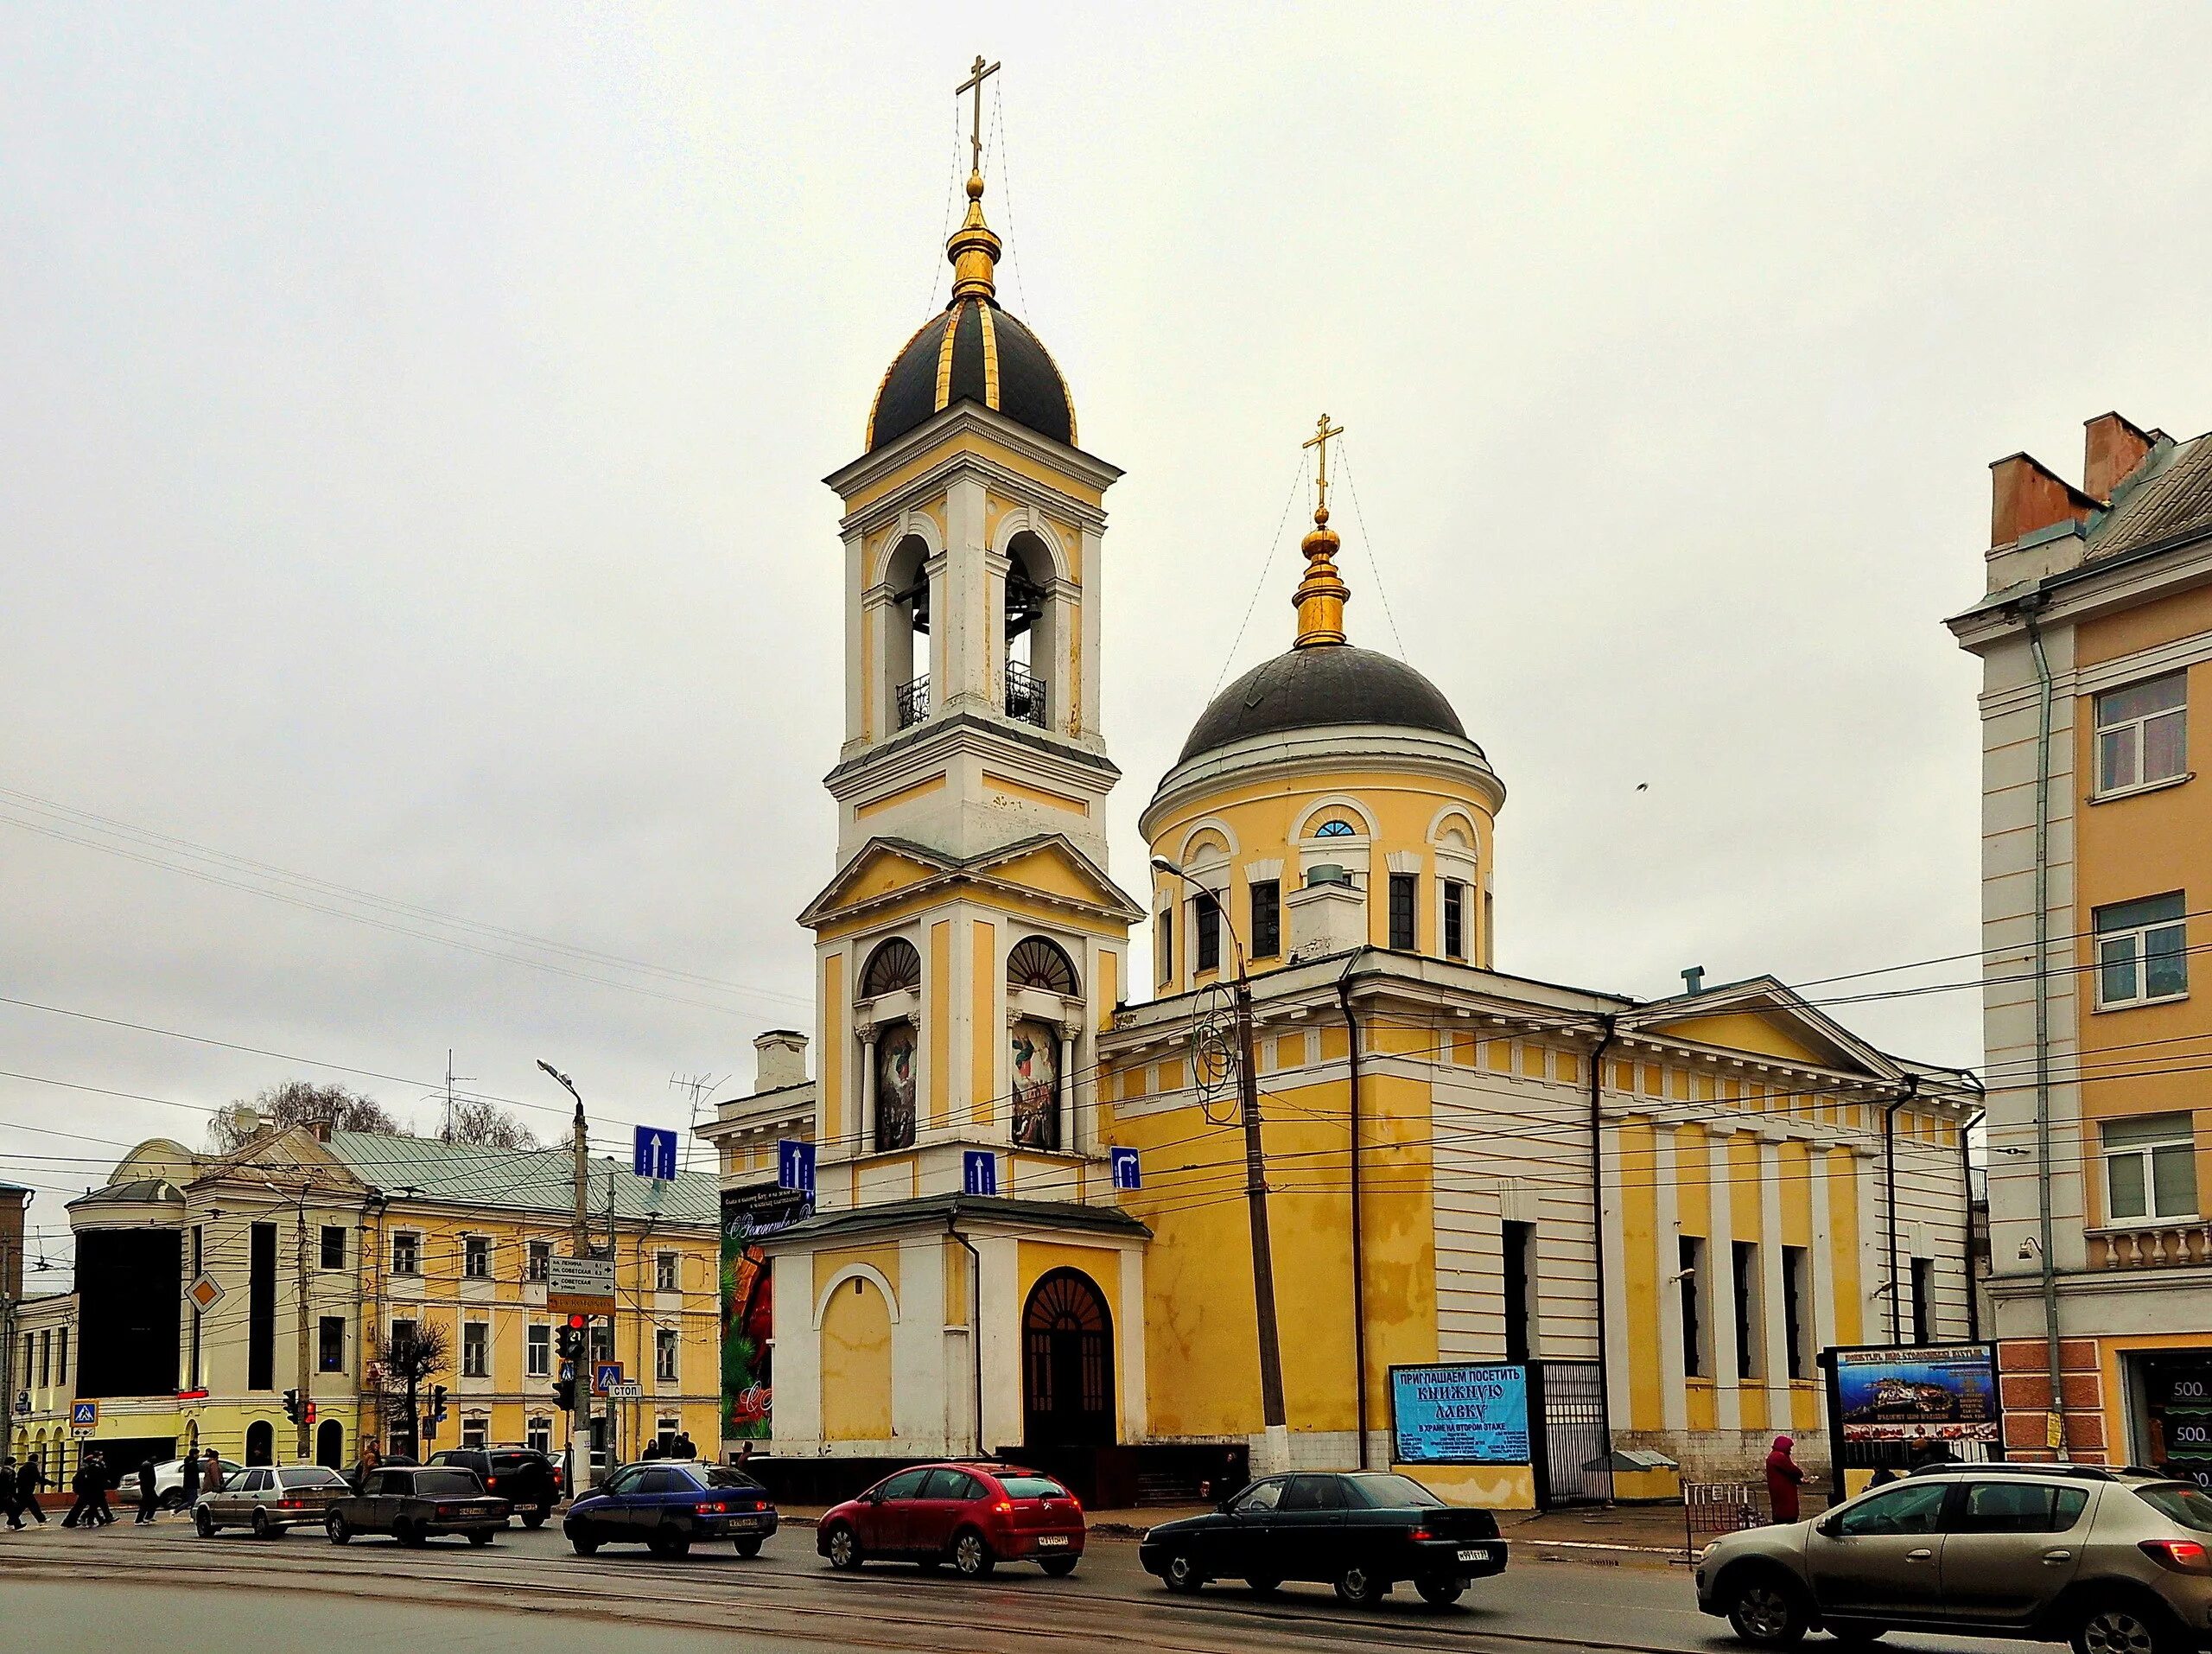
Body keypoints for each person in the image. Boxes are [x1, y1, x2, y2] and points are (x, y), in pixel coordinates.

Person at [1765, 1435, 1807, 1524]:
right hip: (1784, 1494)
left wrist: (1799, 1481)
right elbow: (1793, 1470)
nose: (1790, 1450)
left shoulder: (1777, 1456)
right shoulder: (1778, 1457)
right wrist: (1800, 1475)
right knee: (1786, 1515)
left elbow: (1788, 1474)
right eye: (1789, 1447)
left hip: (1782, 1493)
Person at [16, 1454, 47, 1525]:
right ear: (36, 1460)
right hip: (28, 1491)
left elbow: (18, 1479)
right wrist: (50, 1483)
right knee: (32, 1506)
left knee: (24, 1507)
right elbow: (38, 1478)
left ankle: (41, 1520)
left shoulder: (22, 1468)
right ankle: (10, 1523)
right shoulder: (33, 1467)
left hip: (22, 1490)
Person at [134, 1459, 158, 1524]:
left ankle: (148, 1517)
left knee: (151, 1502)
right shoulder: (147, 1465)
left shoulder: (147, 1464)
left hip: (147, 1487)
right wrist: (151, 1485)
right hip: (148, 1487)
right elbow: (149, 1477)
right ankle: (140, 1519)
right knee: (147, 1503)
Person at [179, 1447, 200, 1512]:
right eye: (197, 1454)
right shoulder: (191, 1463)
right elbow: (193, 1474)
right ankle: (175, 1511)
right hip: (191, 1484)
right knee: (191, 1501)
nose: (198, 1456)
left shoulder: (191, 1462)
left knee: (194, 1501)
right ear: (194, 1454)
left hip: (191, 1484)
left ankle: (192, 1515)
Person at [0, 1459, 18, 1530]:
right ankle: (15, 1524)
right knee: (11, 1509)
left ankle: (15, 1524)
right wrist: (14, 1495)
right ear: (12, 1464)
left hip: (2, 1494)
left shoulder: (2, 1470)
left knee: (11, 1510)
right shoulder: (10, 1472)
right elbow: (11, 1485)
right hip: (6, 1495)